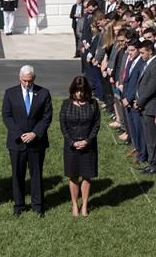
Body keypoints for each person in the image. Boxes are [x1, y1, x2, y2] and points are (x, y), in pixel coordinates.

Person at [2, 65, 53, 217]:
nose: (27, 83)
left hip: (36, 142)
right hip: (17, 142)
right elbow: (7, 116)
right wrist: (20, 134)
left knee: (36, 174)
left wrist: (35, 133)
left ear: (34, 78)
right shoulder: (10, 93)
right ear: (19, 78)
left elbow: (47, 116)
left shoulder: (43, 93)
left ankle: (38, 205)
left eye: (29, 81)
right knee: (17, 175)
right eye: (24, 80)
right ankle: (19, 205)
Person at [60, 76, 100, 217]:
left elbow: (96, 125)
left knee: (87, 176)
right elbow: (63, 125)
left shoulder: (93, 104)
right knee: (73, 176)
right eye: (77, 91)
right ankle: (74, 204)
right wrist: (72, 142)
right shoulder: (66, 104)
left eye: (82, 91)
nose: (79, 94)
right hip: (71, 146)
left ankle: (85, 205)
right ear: (72, 90)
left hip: (88, 146)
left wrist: (87, 141)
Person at [135, 40, 156, 174]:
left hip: (150, 107)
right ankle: (151, 161)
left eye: (143, 53)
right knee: (148, 137)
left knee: (153, 139)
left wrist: (139, 101)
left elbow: (151, 88)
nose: (141, 55)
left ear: (150, 51)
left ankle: (155, 163)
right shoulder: (147, 64)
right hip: (144, 107)